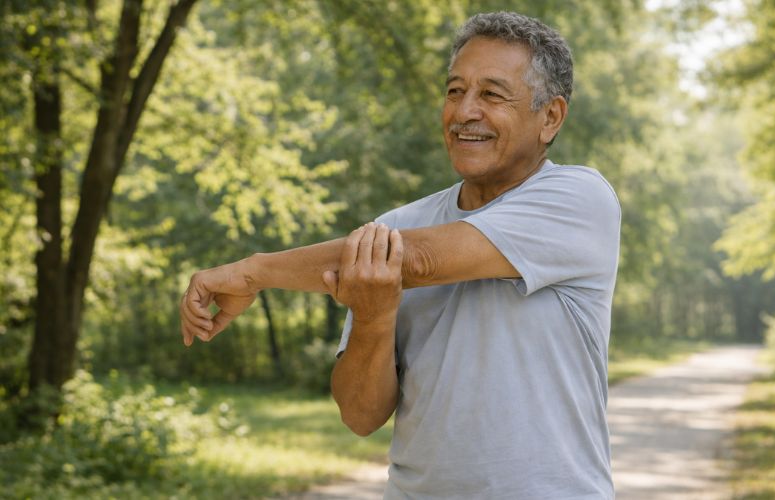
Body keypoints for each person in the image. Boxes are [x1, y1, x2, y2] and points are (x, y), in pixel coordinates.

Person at [180, 11, 620, 499]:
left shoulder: (579, 198)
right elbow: (360, 416)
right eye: (455, 91)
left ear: (551, 117)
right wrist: (373, 315)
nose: (464, 111)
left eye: (491, 94)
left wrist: (252, 273)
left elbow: (418, 261)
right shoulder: (394, 228)